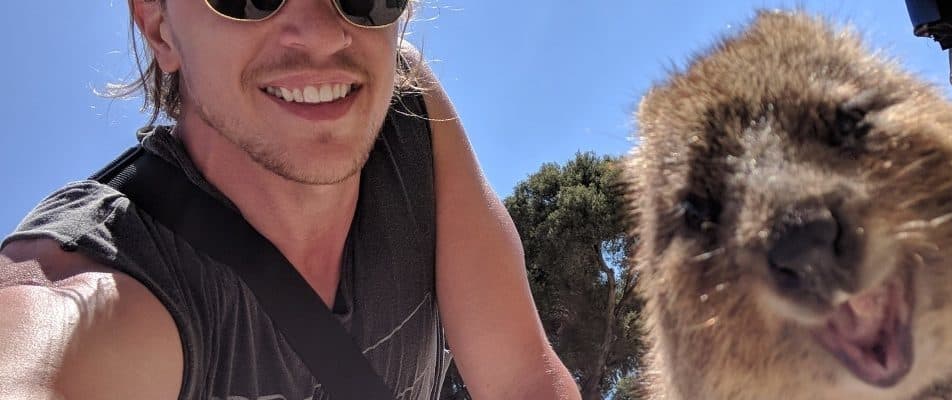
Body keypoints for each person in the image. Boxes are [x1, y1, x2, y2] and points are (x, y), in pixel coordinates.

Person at [0, 0, 581, 399]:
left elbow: (523, 379)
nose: (326, 34)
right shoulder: (102, 273)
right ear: (159, 28)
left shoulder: (409, 116)